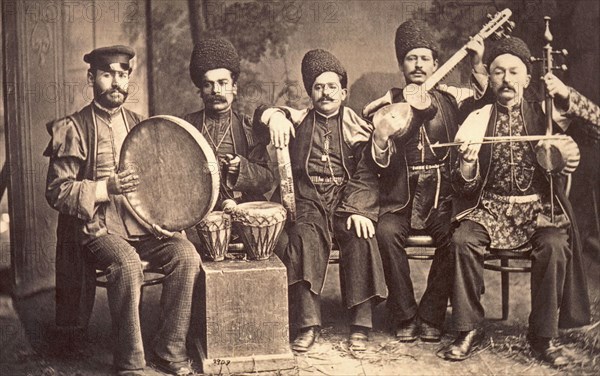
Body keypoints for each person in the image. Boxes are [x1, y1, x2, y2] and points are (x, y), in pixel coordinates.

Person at [444, 36, 599, 365]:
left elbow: (598, 125)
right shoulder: (478, 117)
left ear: (527, 79)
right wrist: (468, 163)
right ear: (491, 78)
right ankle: (469, 328)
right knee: (462, 240)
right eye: (498, 72)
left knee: (555, 245)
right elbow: (461, 185)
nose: (506, 79)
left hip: (538, 211)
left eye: (514, 72)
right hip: (489, 208)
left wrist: (565, 94)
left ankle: (543, 335)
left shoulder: (545, 113)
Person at [45, 45, 198, 376]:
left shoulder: (141, 124)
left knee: (186, 255)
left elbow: (156, 184)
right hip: (97, 230)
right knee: (127, 264)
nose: (116, 82)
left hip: (143, 227)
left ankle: (170, 348)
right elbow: (57, 191)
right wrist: (104, 188)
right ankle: (130, 361)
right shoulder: (74, 128)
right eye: (107, 74)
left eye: (122, 74)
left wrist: (169, 220)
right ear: (92, 78)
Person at [361, 20, 485, 343]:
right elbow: (377, 156)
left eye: (424, 58)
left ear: (435, 63)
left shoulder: (451, 97)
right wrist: (382, 136)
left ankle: (431, 314)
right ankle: (403, 315)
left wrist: (477, 63)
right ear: (401, 65)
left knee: (452, 235)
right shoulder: (389, 101)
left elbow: (486, 104)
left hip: (441, 195)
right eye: (410, 58)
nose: (418, 64)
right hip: (400, 195)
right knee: (386, 233)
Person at [258, 49, 387, 352]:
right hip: (308, 198)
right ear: (311, 93)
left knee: (361, 234)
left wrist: (359, 209)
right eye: (318, 87)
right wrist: (274, 116)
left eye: (331, 87)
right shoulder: (298, 118)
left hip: (346, 197)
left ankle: (360, 324)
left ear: (343, 91)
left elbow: (369, 172)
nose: (325, 93)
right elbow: (260, 114)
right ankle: (307, 323)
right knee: (303, 238)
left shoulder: (358, 125)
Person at [184, 38, 274, 211]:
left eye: (222, 83)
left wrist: (241, 168)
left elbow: (267, 180)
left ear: (234, 88)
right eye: (208, 84)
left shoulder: (247, 127)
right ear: (201, 92)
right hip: (195, 211)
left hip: (241, 208)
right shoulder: (187, 126)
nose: (216, 90)